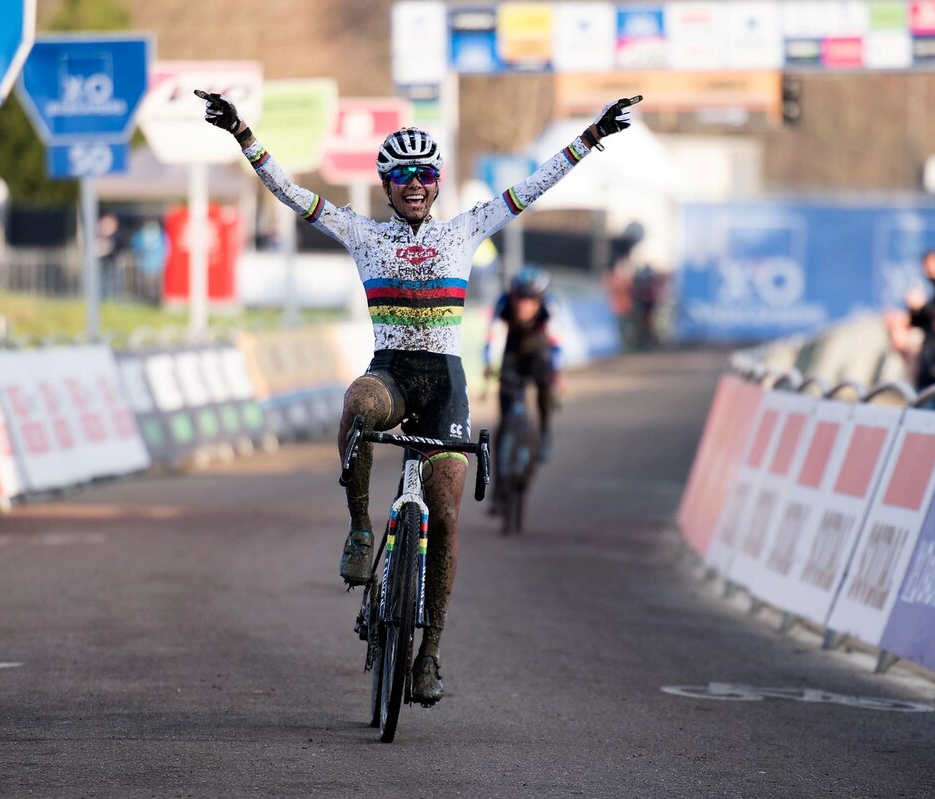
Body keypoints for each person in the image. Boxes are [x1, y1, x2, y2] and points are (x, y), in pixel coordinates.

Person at [198, 87, 641, 705]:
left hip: (446, 387)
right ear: (385, 182)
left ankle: (429, 654)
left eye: (425, 173)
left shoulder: (467, 229)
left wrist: (590, 138)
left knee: (450, 519)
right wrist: (243, 133)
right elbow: (291, 194)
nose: (414, 183)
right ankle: (359, 529)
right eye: (402, 174)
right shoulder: (362, 234)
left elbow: (536, 186)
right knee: (358, 400)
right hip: (393, 378)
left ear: (437, 183)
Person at [483, 266, 561, 497]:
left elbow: (557, 343)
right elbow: (492, 337)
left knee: (545, 385)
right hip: (512, 354)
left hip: (538, 352)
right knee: (505, 419)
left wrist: (555, 372)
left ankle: (545, 430)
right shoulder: (503, 303)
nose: (522, 305)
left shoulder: (550, 306)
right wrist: (489, 364)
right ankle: (498, 485)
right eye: (519, 298)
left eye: (529, 300)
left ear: (539, 300)